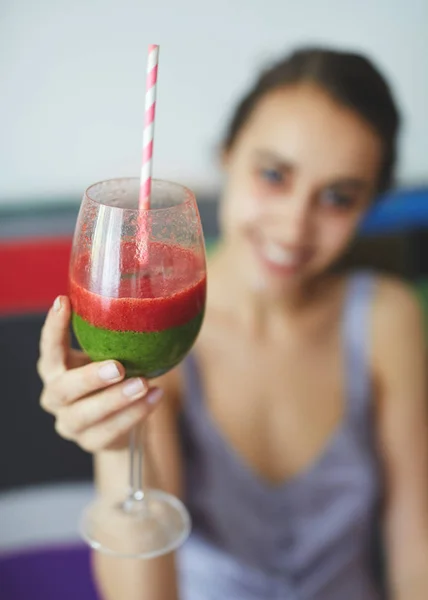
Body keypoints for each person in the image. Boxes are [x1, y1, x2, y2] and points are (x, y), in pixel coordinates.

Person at [38, 47, 428, 600]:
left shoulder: (388, 319)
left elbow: (418, 549)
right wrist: (116, 440)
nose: (294, 227)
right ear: (226, 155)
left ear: (369, 207)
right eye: (273, 174)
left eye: (338, 197)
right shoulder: (161, 331)